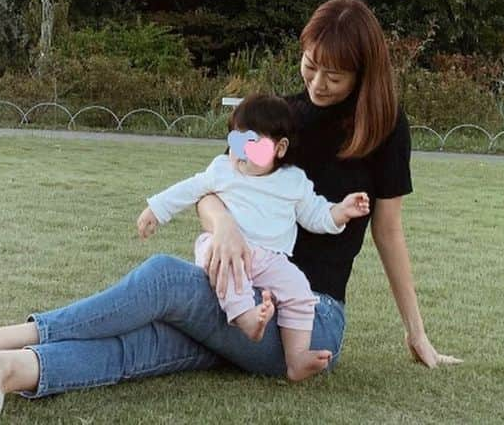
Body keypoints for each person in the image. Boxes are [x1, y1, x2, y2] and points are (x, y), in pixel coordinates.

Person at [0, 0, 460, 420]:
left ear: (364, 73)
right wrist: (225, 226)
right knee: (152, 342)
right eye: (310, 64)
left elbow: (389, 233)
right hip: (234, 290)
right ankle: (1, 373)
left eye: (333, 74)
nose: (316, 81)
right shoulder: (275, 119)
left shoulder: (384, 128)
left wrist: (418, 334)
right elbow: (210, 187)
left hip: (306, 319)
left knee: (164, 279)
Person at [138, 92, 371, 381]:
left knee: (299, 287)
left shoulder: (293, 181)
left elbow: (315, 215)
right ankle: (244, 317)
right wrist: (155, 209)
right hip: (225, 249)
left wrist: (341, 211)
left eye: (254, 144)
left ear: (280, 148)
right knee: (230, 271)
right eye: (236, 142)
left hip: (270, 259)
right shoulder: (223, 169)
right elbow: (190, 189)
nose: (242, 153)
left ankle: (296, 357)